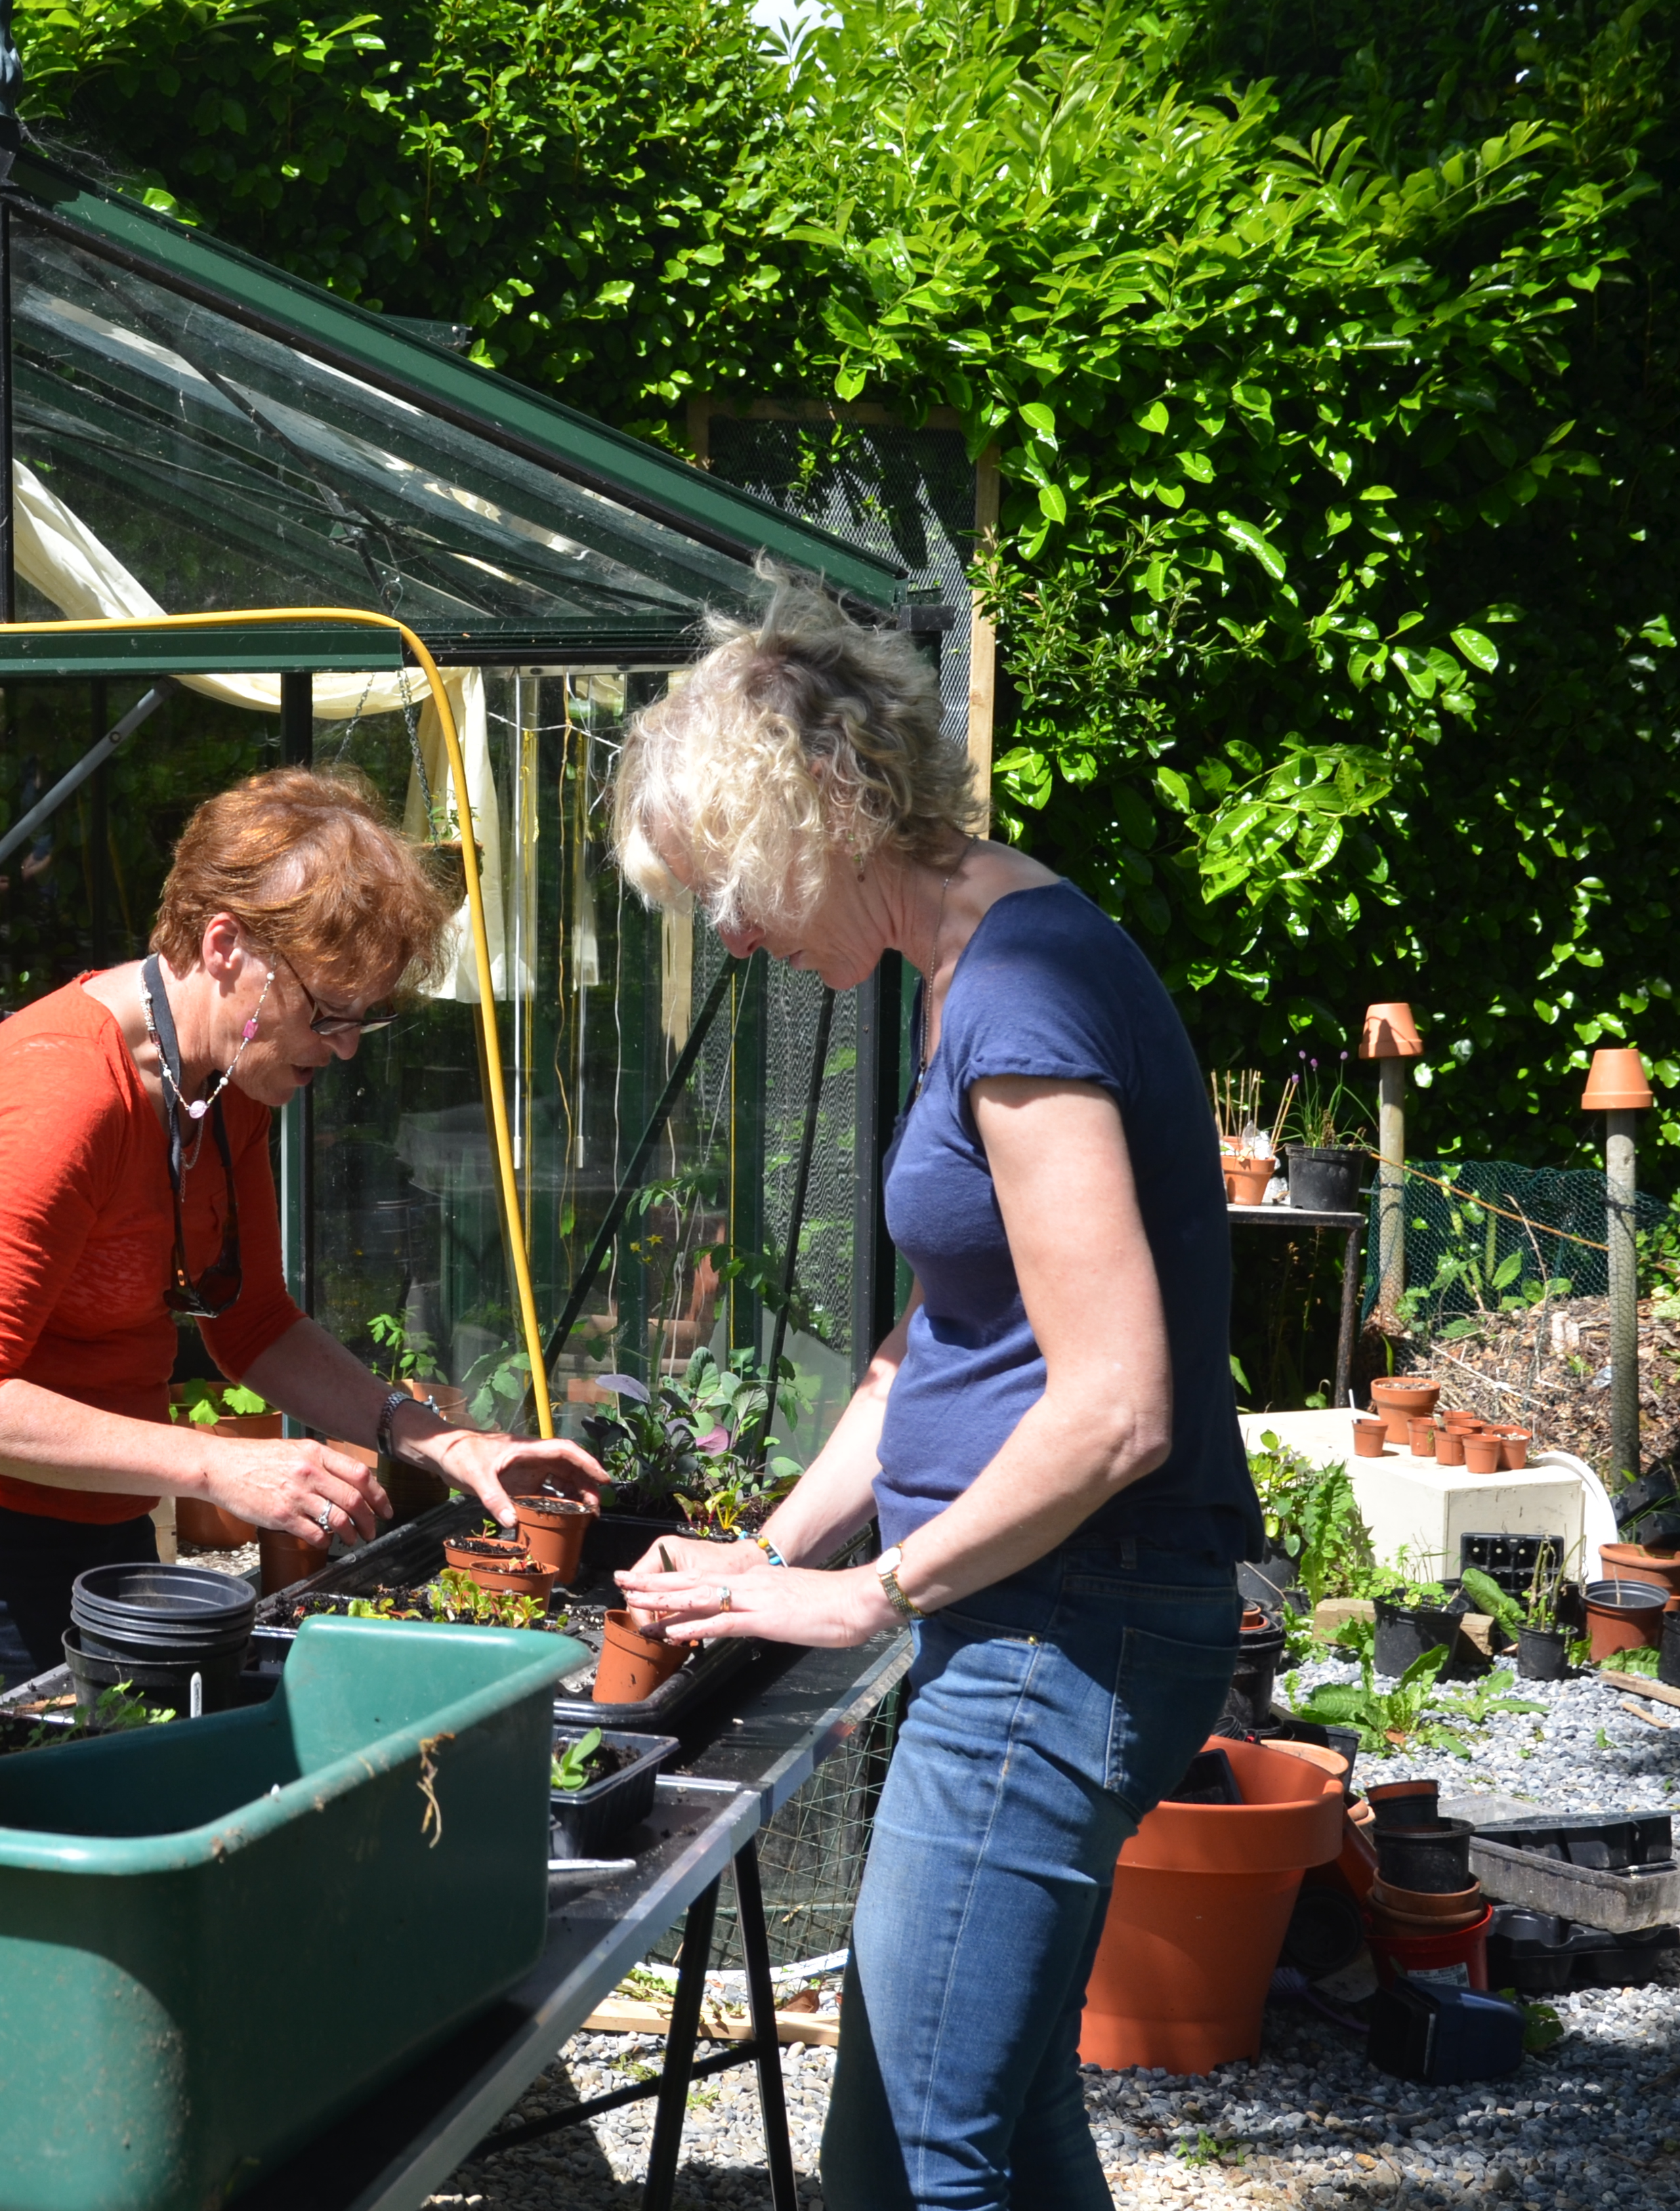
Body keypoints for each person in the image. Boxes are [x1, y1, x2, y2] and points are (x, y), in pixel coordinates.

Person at [606, 569, 1253, 2211]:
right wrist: (777, 1556)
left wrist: (872, 1594)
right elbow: (936, 1347)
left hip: (1063, 1627)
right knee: (1014, 2114)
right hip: (1039, 1616)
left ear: (819, 819)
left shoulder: (1024, 992)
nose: (737, 936)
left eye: (732, 892)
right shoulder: (977, 967)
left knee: (903, 2151)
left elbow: (1116, 1408)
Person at [0, 766, 607, 1694]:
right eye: (328, 1012)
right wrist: (216, 1466)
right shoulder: (62, 1094)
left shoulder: (227, 1080)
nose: (348, 1046)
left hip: (93, 1517)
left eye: (367, 1018)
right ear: (225, 944)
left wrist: (446, 1444)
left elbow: (253, 1324)